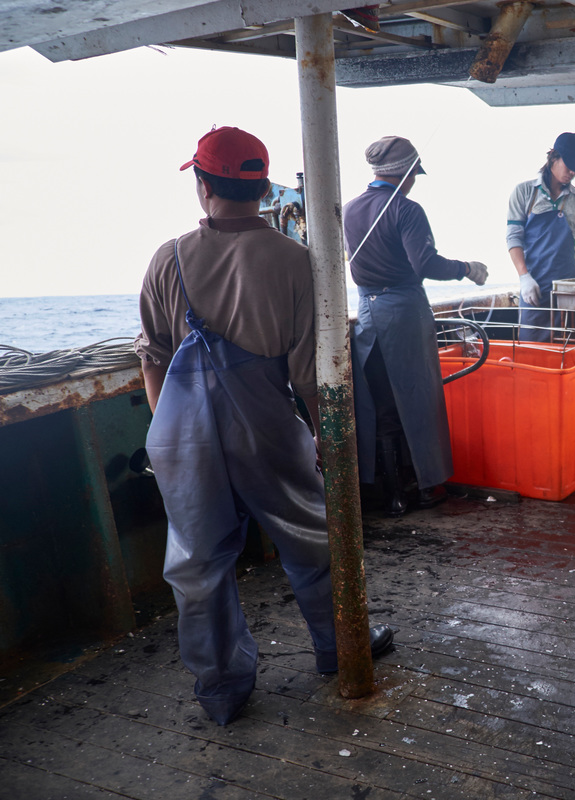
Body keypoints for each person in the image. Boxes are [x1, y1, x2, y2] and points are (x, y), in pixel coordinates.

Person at [136, 126, 393, 726]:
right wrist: (329, 444)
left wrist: (168, 437)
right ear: (261, 188)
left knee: (198, 565)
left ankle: (222, 687)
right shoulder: (298, 261)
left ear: (203, 187)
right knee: (312, 538)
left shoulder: (166, 258)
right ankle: (341, 648)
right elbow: (311, 375)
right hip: (270, 427)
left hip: (186, 437)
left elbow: (151, 357)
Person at [343, 136, 489, 516]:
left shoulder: (349, 209)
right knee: (419, 402)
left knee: (382, 408)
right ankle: (424, 488)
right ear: (406, 173)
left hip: (368, 316)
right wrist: (467, 269)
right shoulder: (406, 210)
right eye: (414, 175)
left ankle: (392, 495)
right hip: (404, 312)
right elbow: (425, 264)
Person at [506, 132, 575, 341]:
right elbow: (513, 238)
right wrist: (524, 277)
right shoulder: (524, 192)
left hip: (567, 294)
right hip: (534, 291)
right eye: (568, 166)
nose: (572, 172)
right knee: (532, 352)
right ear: (553, 157)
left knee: (567, 350)